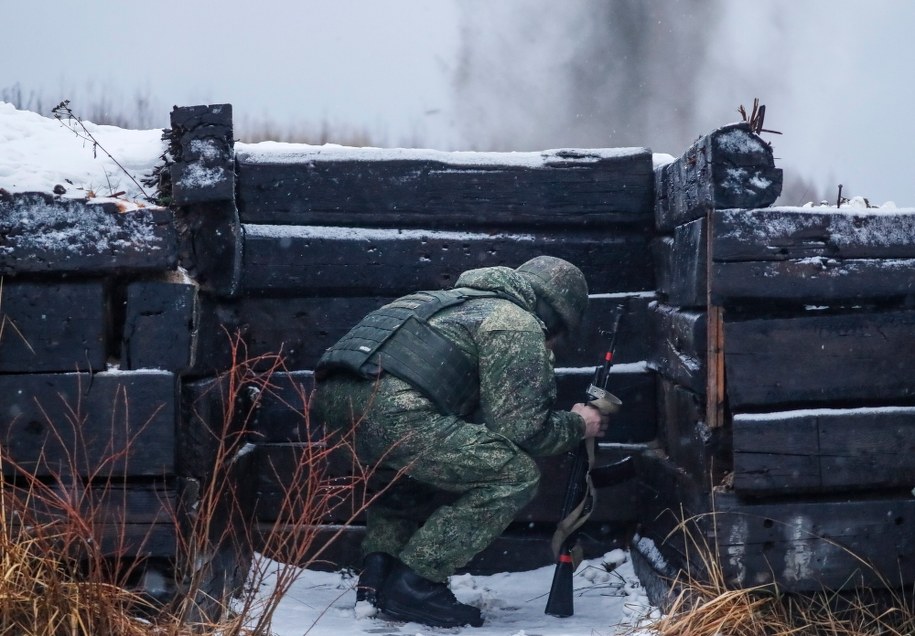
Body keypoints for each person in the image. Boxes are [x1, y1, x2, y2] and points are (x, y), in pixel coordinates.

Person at [310, 256, 608, 628]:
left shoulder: (440, 302)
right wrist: (580, 424)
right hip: (394, 409)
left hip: (334, 403)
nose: (554, 340)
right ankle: (416, 583)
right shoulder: (513, 322)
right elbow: (524, 430)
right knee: (512, 475)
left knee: (408, 471)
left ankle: (378, 573)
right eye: (558, 331)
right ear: (553, 311)